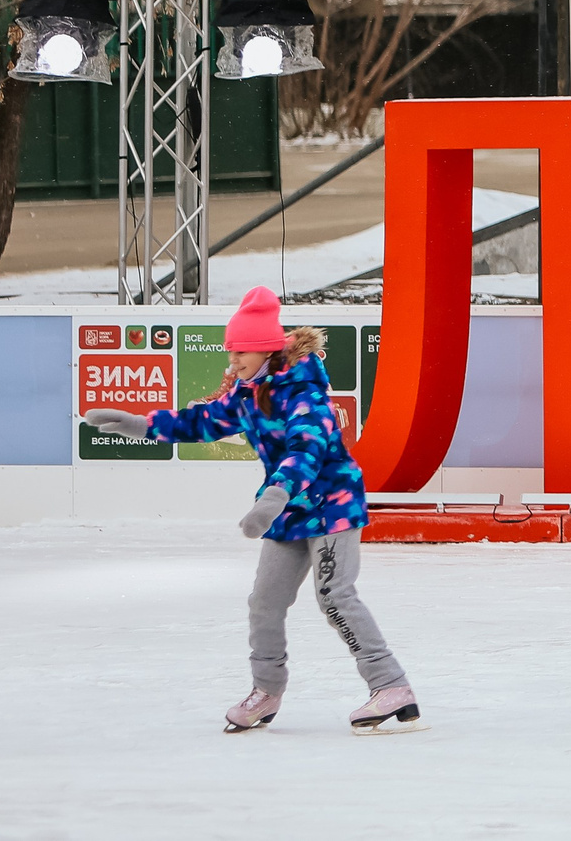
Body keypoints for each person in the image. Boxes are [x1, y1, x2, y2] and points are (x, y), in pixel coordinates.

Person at [84, 287, 419, 735]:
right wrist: (142, 425)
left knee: (334, 593)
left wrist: (276, 494)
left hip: (331, 501)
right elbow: (201, 423)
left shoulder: (304, 393)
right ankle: (267, 691)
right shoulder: (248, 394)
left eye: (239, 349)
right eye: (230, 349)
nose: (232, 358)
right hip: (287, 508)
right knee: (265, 602)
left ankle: (391, 685)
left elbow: (308, 448)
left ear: (263, 349)